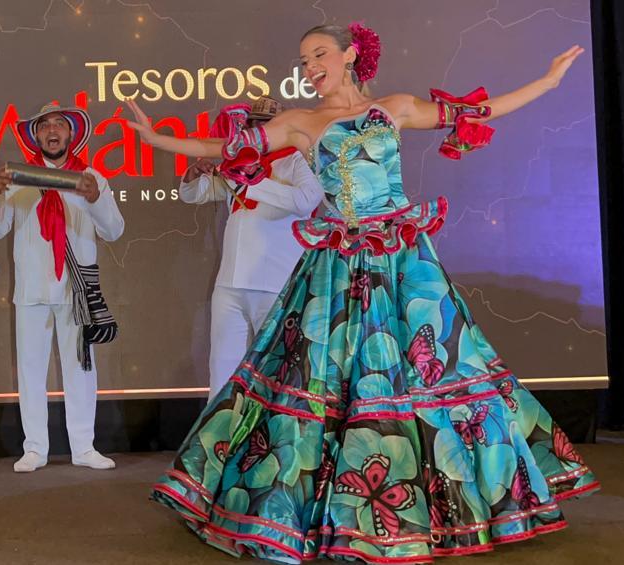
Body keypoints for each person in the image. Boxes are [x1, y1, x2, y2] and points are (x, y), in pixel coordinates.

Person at [126, 23, 597, 562]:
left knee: (438, 369)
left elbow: (474, 113)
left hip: (402, 262)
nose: (310, 68)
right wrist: (157, 139)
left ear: (350, 56)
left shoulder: (393, 107)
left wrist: (548, 81)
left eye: (319, 55)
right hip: (340, 265)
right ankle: (330, 510)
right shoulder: (301, 123)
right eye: (303, 61)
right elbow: (227, 145)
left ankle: (455, 504)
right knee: (324, 378)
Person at [0, 103, 126, 473]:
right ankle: (34, 448)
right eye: (44, 125)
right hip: (31, 287)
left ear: (71, 133)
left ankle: (83, 447)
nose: (52, 131)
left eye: (59, 124)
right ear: (35, 135)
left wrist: (95, 198)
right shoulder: (17, 176)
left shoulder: (90, 176)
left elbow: (114, 230)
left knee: (81, 367)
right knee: (31, 369)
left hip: (76, 290)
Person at [178, 96, 323, 400]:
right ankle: (219, 442)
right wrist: (193, 177)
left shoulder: (297, 159)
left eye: (268, 125)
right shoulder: (240, 162)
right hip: (230, 284)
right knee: (222, 368)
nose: (261, 132)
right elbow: (197, 194)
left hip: (275, 284)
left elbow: (308, 200)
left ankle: (274, 441)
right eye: (255, 125)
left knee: (277, 369)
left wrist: (255, 181)